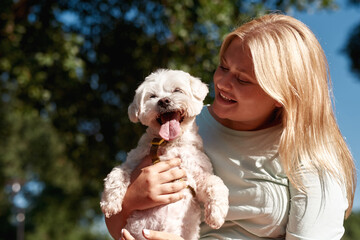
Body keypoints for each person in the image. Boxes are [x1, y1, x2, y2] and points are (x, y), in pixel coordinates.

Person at [105, 13, 356, 240]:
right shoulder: (181, 125)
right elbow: (121, 223)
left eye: (243, 79)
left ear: (281, 96)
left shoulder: (311, 159)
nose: (223, 83)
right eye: (223, 66)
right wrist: (129, 202)